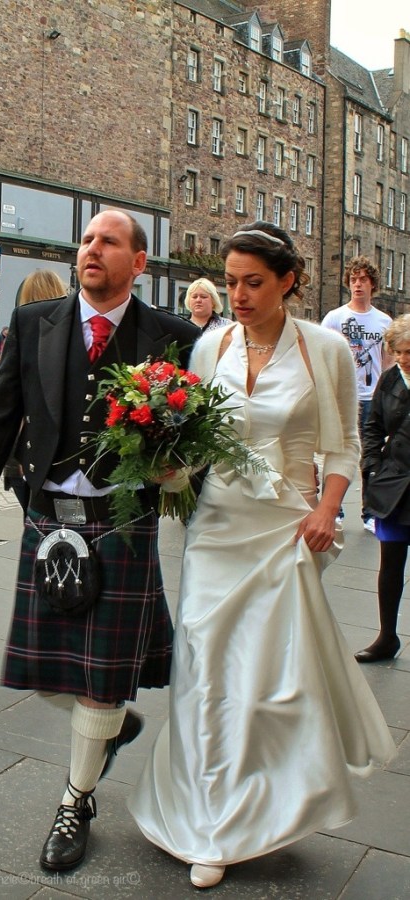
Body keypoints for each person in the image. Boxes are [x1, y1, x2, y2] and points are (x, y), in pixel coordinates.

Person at [128, 222, 395, 890]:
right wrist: (166, 469)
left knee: (268, 677)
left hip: (284, 528)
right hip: (215, 528)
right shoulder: (210, 345)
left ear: (288, 282)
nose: (239, 296)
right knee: (204, 667)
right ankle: (205, 817)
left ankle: (259, 808)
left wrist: (329, 509)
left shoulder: (325, 349)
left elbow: (344, 444)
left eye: (253, 282)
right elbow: (192, 441)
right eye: (231, 283)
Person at [0, 209, 199, 874]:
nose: (91, 249)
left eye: (108, 241)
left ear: (138, 263)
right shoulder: (35, 322)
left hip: (121, 523)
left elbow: (193, 439)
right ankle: (112, 726)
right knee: (46, 673)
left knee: (101, 678)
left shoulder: (173, 337)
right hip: (47, 519)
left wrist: (180, 472)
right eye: (87, 239)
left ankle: (75, 799)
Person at [322, 256, 392, 532]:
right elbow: (324, 356)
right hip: (343, 397)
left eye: (363, 279)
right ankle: (334, 509)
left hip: (372, 396)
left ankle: (370, 513)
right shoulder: (335, 318)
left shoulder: (383, 321)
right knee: (337, 451)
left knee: (371, 455)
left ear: (372, 284)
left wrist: (385, 396)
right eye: (353, 279)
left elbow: (388, 363)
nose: (357, 284)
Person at [355, 314, 410, 663]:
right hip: (395, 486)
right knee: (390, 563)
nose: (403, 358)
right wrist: (372, 466)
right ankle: (387, 637)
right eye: (398, 351)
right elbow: (372, 426)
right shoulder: (390, 379)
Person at [3, 270, 68, 516]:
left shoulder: (21, 335)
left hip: (22, 451)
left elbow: (10, 403)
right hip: (54, 453)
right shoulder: (67, 339)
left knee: (33, 521)